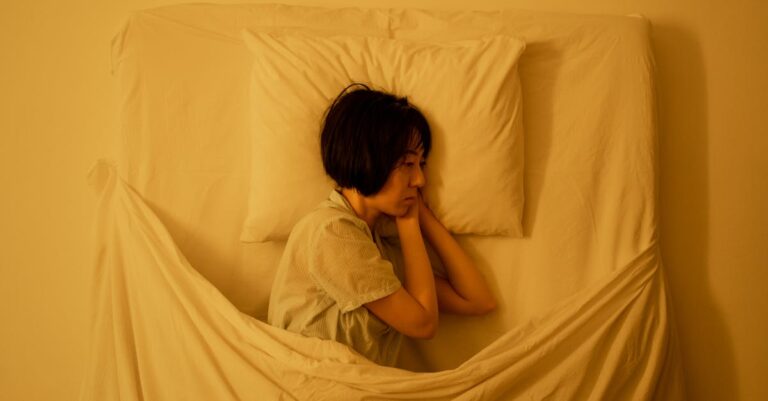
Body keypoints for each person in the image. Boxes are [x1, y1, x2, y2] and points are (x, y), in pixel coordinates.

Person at [267, 82, 496, 366]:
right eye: (408, 164)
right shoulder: (331, 231)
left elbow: (479, 300)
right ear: (367, 157)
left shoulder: (376, 247)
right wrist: (409, 224)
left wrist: (422, 215)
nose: (420, 180)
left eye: (422, 165)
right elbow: (423, 324)